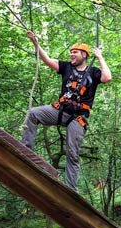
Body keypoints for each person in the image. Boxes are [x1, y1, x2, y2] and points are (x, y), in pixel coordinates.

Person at [22, 30, 112, 191]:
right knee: (33, 113)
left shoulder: (93, 72)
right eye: (71, 52)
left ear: (84, 55)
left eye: (75, 53)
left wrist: (99, 57)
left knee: (72, 153)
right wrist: (35, 43)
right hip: (60, 111)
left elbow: (107, 77)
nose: (71, 55)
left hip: (78, 117)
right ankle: (26, 151)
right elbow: (47, 60)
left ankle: (70, 190)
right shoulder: (66, 67)